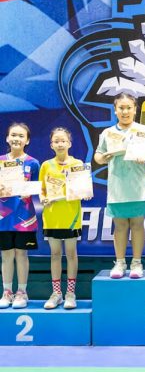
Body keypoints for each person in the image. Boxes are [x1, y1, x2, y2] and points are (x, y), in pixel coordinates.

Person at [94, 93, 145, 279]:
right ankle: (120, 262)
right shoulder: (107, 133)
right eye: (121, 108)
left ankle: (137, 263)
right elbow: (98, 155)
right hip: (117, 187)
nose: (125, 111)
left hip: (138, 187)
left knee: (137, 225)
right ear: (115, 110)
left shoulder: (144, 130)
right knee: (120, 226)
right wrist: (103, 158)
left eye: (129, 107)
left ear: (135, 109)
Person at [39, 127, 89, 309]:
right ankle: (56, 294)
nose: (60, 144)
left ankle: (70, 293)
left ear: (69, 143)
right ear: (51, 145)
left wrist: (86, 192)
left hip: (71, 216)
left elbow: (84, 188)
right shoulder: (46, 165)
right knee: (55, 254)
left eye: (63, 141)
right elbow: (41, 190)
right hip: (52, 217)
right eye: (56, 141)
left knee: (71, 253)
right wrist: (43, 198)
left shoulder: (77, 164)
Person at [0, 123, 40, 309]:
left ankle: (22, 292)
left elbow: (38, 188)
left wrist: (29, 192)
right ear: (7, 138)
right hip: (3, 217)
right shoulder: (1, 161)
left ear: (27, 140)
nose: (16, 139)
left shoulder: (33, 163)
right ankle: (7, 292)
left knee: (22, 254)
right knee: (6, 255)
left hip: (24, 217)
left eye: (21, 136)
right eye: (13, 135)